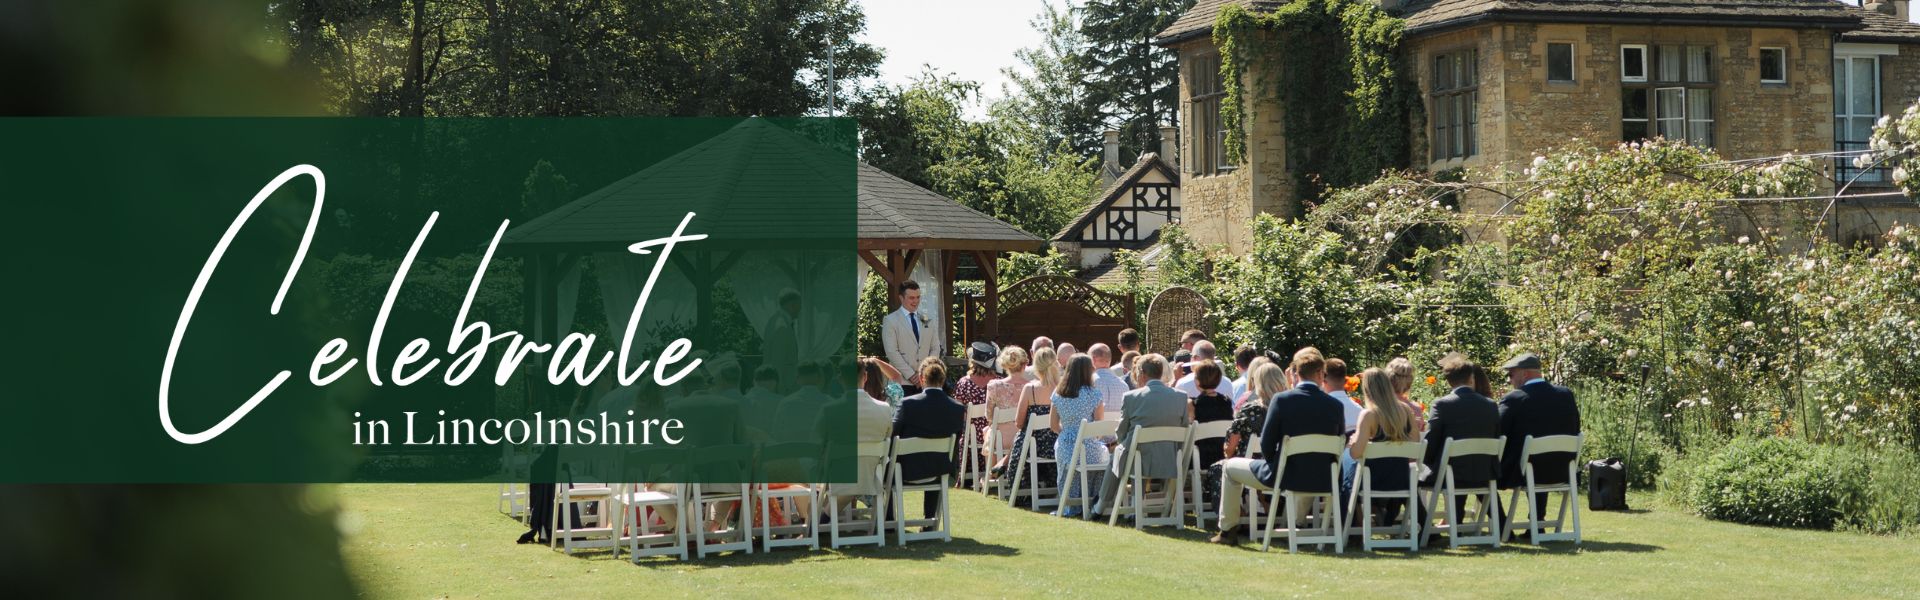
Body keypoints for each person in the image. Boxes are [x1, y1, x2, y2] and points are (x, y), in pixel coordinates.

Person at [1211, 348, 1345, 545]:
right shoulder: (1335, 406)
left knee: (1229, 468)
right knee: (1306, 466)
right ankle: (1296, 523)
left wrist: (1278, 464)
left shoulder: (1282, 400)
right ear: (1319, 374)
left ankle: (1227, 530)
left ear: (1296, 374)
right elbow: (1339, 443)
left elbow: (1266, 444)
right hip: (1324, 477)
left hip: (1285, 475)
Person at [1094, 354, 1189, 518]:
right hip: (1170, 458)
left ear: (1142, 373)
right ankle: (1134, 508)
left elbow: (1121, 431)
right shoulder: (1180, 396)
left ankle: (1100, 506)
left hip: (1138, 458)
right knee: (1137, 451)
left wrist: (1123, 443)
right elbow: (1184, 427)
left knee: (1123, 454)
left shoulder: (1132, 397)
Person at [1418, 353, 1502, 530]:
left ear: (1448, 381)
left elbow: (1431, 441)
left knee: (1413, 478)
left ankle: (1425, 528)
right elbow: (1496, 435)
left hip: (1451, 474)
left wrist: (1426, 461)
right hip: (1484, 471)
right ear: (1471, 378)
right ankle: (1501, 524)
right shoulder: (1490, 405)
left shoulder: (1442, 405)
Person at [1495, 352, 1582, 522]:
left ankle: (1498, 524)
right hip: (1563, 469)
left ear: (1525, 373)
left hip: (1522, 471)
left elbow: (1497, 430)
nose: (1510, 380)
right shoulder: (1565, 394)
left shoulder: (1515, 398)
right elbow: (1575, 427)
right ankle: (1537, 520)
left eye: (1511, 374)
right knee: (1536, 458)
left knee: (1481, 468)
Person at [1205, 362, 1288, 527]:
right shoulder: (1289, 409)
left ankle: (1233, 521)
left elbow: (1230, 446)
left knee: (1218, 468)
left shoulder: (1250, 409)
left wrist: (1228, 454)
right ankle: (1266, 509)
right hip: (1283, 466)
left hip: (1251, 467)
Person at [891, 358, 967, 520]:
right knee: (935, 458)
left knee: (885, 463)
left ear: (921, 379)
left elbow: (892, 435)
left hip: (905, 470)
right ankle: (929, 519)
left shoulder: (906, 404)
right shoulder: (957, 408)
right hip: (940, 469)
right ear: (943, 379)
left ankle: (888, 520)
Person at [1346, 367, 1420, 527]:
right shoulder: (1406, 411)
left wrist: (1352, 443)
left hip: (1371, 481)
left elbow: (1356, 453)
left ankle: (1354, 526)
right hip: (1401, 479)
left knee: (1345, 471)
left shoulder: (1369, 415)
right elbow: (1415, 451)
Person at [822, 358, 897, 515]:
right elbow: (887, 440)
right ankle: (823, 517)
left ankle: (819, 519)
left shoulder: (830, 409)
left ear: (841, 379)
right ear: (865, 377)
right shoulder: (884, 409)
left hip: (839, 474)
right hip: (872, 475)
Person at [1048, 355, 1108, 517]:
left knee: (1067, 466)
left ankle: (1071, 506)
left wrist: (1067, 434)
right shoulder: (1095, 394)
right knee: (1102, 458)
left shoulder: (1058, 393)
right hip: (1091, 449)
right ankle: (1094, 503)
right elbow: (1099, 427)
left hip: (1067, 446)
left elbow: (1053, 425)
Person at [1001, 347, 1060, 500]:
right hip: (1056, 445)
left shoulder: (1030, 388)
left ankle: (1020, 492)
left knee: (1021, 438)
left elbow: (1019, 423)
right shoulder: (1062, 389)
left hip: (1031, 446)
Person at [1188, 361, 1235, 508]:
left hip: (1201, 457)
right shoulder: (1227, 402)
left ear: (1197, 380)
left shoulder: (1193, 404)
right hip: (1223, 454)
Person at [881, 280, 941, 393]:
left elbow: (935, 347)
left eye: (918, 297)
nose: (916, 301)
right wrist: (911, 375)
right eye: (911, 298)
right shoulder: (890, 320)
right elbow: (891, 351)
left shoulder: (927, 319)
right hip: (901, 382)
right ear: (901, 298)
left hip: (925, 382)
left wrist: (926, 371)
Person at [953, 341, 999, 476]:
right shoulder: (999, 382)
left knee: (964, 431)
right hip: (994, 434)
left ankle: (965, 475)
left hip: (972, 435)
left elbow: (958, 412)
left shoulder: (964, 383)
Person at [985, 346, 1032, 472]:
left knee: (988, 431)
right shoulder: (1032, 387)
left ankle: (992, 474)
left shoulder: (994, 386)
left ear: (1005, 365)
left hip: (1001, 439)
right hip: (1026, 439)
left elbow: (989, 416)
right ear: (1025, 365)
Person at [1087, 343, 1132, 413]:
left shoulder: (1088, 381)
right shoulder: (1124, 385)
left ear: (1093, 359)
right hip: (1118, 423)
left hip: (1096, 423)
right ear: (1109, 360)